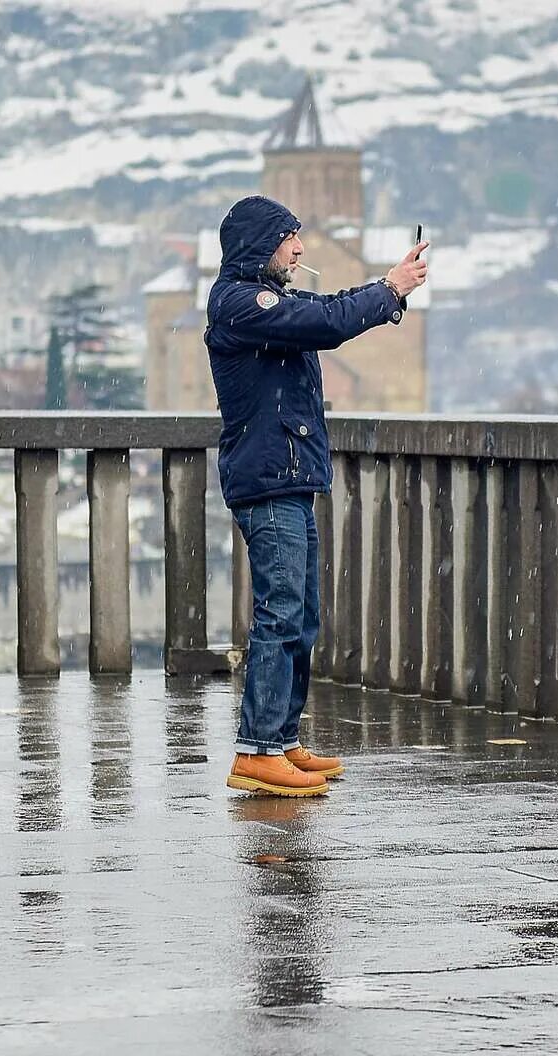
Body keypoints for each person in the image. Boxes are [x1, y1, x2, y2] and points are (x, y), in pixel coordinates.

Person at [207, 195, 429, 798]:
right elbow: (325, 325)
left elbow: (327, 311)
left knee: (301, 614)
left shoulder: (269, 300)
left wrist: (389, 291)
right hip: (269, 480)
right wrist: (389, 288)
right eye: (290, 238)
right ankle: (256, 749)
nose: (300, 249)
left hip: (290, 475)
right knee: (280, 611)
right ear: (261, 244)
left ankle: (280, 739)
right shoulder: (240, 303)